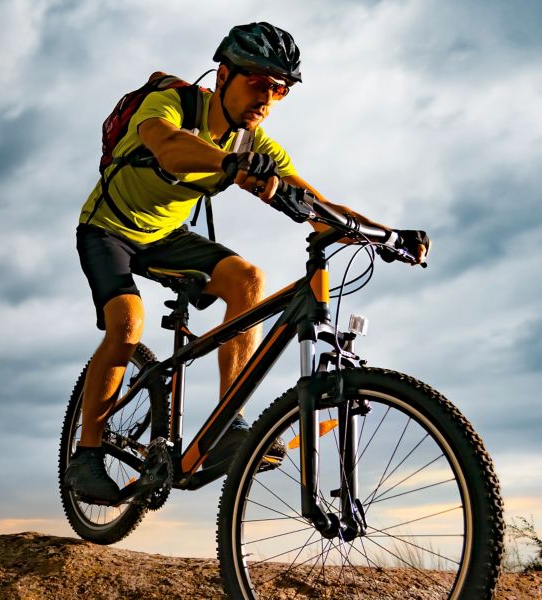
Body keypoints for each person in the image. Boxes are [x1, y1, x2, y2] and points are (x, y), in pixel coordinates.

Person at [65, 22, 429, 504]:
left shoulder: (256, 145)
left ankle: (227, 428)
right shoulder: (174, 102)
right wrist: (226, 164)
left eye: (279, 89)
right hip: (108, 228)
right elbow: (168, 147)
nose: (268, 98)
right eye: (258, 82)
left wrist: (385, 234)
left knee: (249, 280)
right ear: (223, 76)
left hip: (166, 236)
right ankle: (87, 454)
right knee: (127, 324)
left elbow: (316, 205)